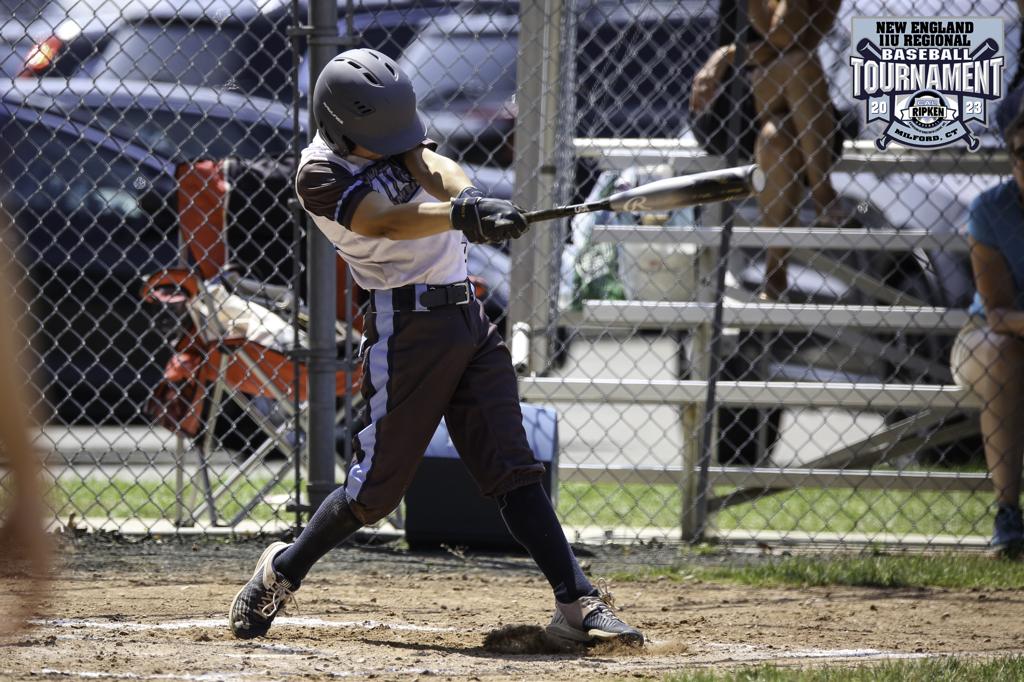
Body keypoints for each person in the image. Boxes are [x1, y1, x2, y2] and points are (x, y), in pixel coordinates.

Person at [228, 49, 643, 647]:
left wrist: (471, 198)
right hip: (406, 331)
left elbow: (432, 164)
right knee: (372, 493)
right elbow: (384, 220)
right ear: (339, 126)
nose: (397, 144)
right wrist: (457, 216)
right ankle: (282, 570)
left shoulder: (389, 136)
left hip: (469, 319)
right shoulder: (317, 173)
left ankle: (577, 602)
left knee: (513, 467)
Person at [690, 0, 843, 300]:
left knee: (777, 138)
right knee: (800, 64)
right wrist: (729, 55)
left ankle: (775, 273)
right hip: (734, 102)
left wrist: (731, 53)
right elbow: (783, 41)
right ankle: (822, 191)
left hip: (799, 110)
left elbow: (793, 38)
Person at [950, 103, 1024, 554]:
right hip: (989, 336)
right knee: (1003, 354)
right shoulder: (992, 208)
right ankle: (1008, 514)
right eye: (1021, 152)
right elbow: (996, 313)